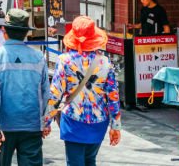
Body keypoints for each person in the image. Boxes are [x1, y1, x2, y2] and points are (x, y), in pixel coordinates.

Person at [44, 16, 121, 166]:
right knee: (90, 160)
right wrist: (115, 126)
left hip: (73, 119)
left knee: (74, 162)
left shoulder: (64, 60)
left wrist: (46, 122)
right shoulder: (105, 62)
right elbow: (113, 96)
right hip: (99, 121)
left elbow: (55, 94)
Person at [0, 9, 50, 166]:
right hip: (32, 124)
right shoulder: (38, 57)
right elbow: (45, 92)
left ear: (4, 30)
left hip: (4, 126)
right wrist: (45, 121)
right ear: (26, 33)